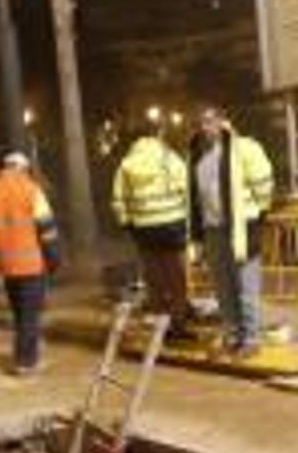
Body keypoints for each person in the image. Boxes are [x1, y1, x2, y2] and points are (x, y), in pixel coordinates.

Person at [187, 106, 274, 358]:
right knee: (223, 287)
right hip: (213, 229)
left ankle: (251, 339)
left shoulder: (245, 148)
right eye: (202, 122)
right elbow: (196, 198)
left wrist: (258, 216)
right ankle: (233, 334)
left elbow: (263, 186)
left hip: (242, 226)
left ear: (225, 122)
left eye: (211, 121)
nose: (206, 127)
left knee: (246, 285)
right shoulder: (198, 156)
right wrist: (198, 234)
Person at [0, 150, 61, 375]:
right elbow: (48, 231)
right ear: (23, 168)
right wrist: (54, 260)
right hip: (32, 265)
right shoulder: (32, 190)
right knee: (30, 315)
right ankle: (26, 362)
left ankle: (24, 354)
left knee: (19, 313)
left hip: (6, 267)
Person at [111, 122, 192, 338]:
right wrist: (190, 220)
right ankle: (178, 324)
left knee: (154, 277)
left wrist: (127, 223)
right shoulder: (169, 158)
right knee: (176, 277)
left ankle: (158, 325)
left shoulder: (127, 164)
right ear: (158, 136)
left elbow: (118, 200)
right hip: (173, 225)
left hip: (144, 228)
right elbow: (187, 190)